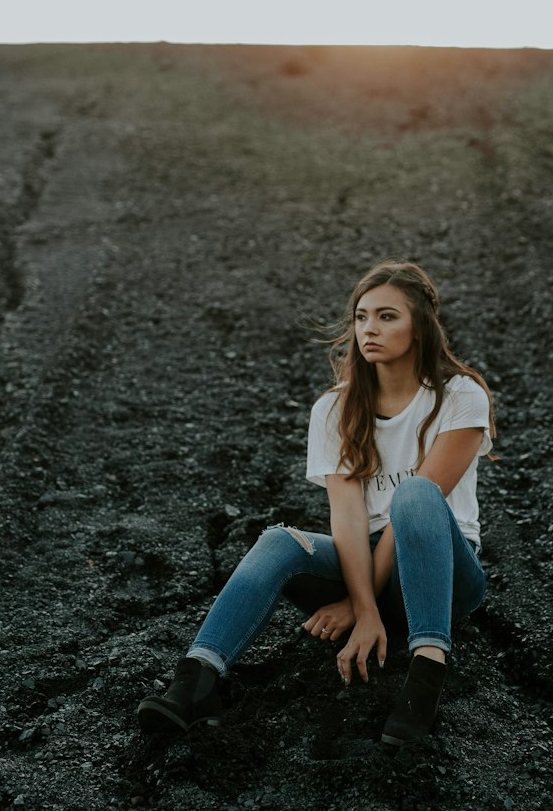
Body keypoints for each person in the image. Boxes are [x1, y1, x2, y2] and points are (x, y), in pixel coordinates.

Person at [137, 259, 495, 748]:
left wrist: (356, 601)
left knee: (413, 494)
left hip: (443, 570)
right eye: (362, 316)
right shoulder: (335, 407)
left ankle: (425, 682)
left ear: (420, 327)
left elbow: (412, 515)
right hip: (368, 561)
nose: (370, 328)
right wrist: (365, 607)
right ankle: (196, 681)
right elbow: (347, 516)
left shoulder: (460, 398)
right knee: (278, 541)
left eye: (387, 316)